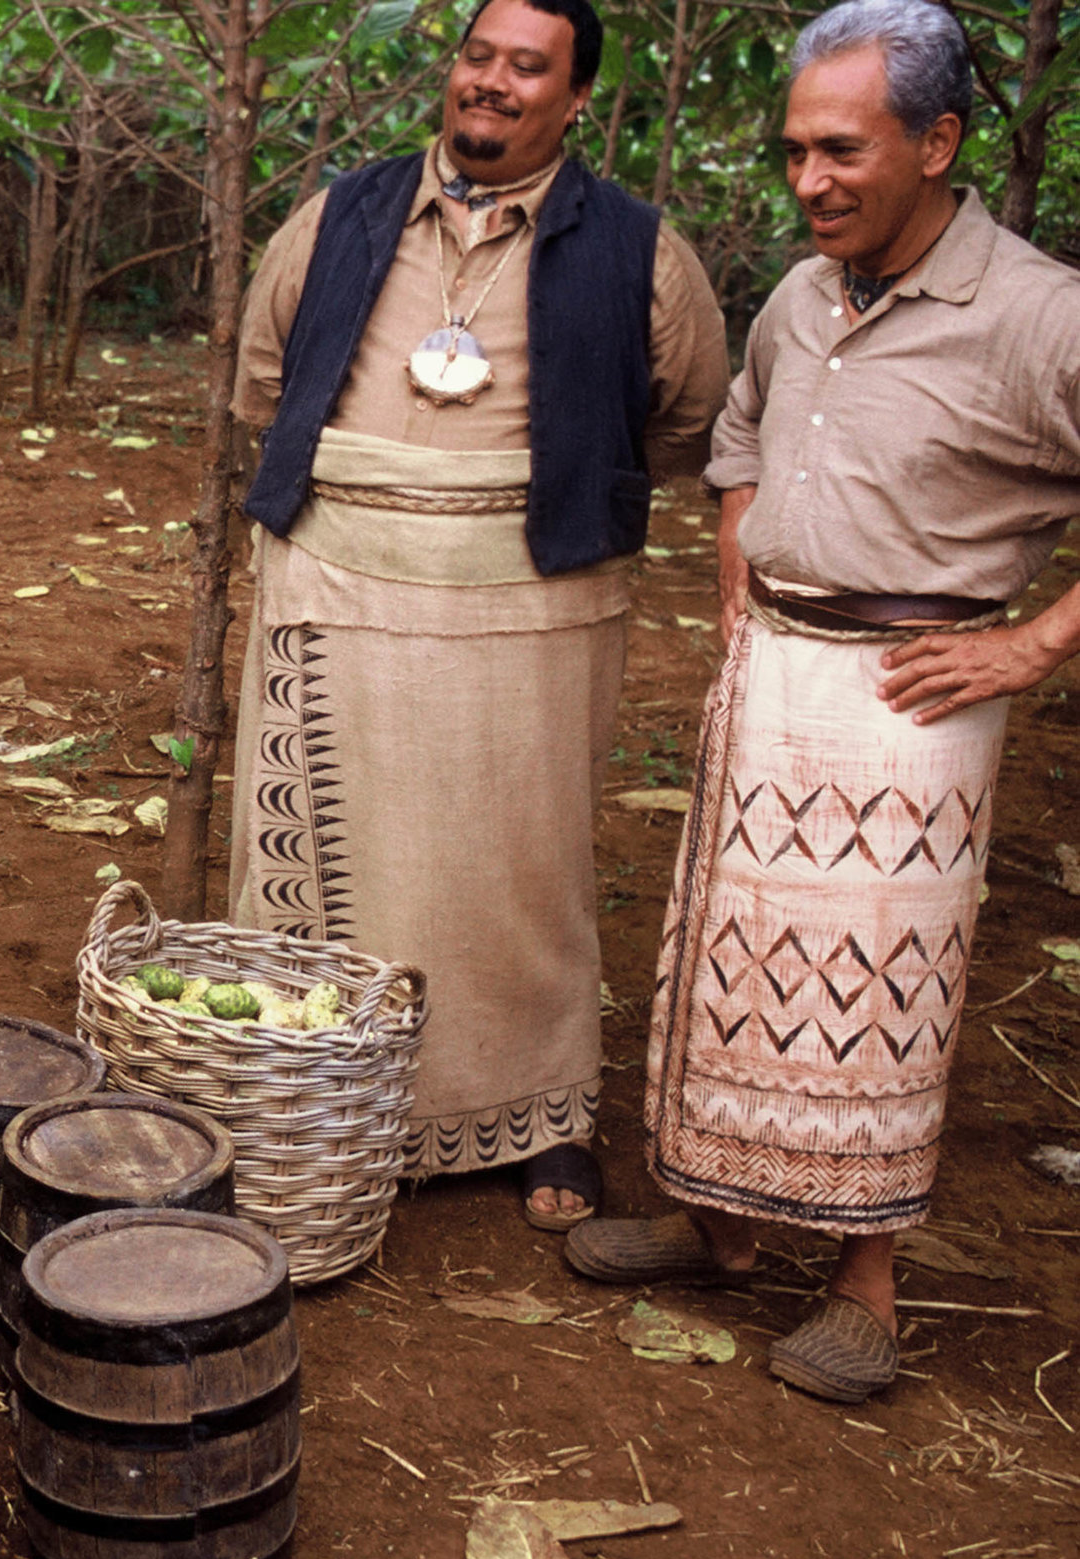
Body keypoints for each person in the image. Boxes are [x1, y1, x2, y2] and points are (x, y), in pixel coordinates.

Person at [567, 0, 1080, 1402]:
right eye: (795, 152)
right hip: (770, 678)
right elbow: (738, 439)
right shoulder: (803, 295)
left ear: (940, 140)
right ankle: (720, 1223)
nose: (810, 183)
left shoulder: (1038, 312)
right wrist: (740, 574)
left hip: (916, 698)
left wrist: (1032, 645)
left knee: (875, 1006)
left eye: (842, 152)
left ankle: (865, 1279)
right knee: (731, 975)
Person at [227, 0, 727, 1227]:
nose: (490, 84)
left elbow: (684, 419)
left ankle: (537, 1114)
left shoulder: (637, 250)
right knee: (328, 844)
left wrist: (528, 492)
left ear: (574, 100)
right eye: (477, 57)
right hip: (335, 578)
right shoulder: (339, 215)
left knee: (522, 855)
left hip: (533, 596)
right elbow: (260, 379)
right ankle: (306, 1086)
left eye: (525, 67)